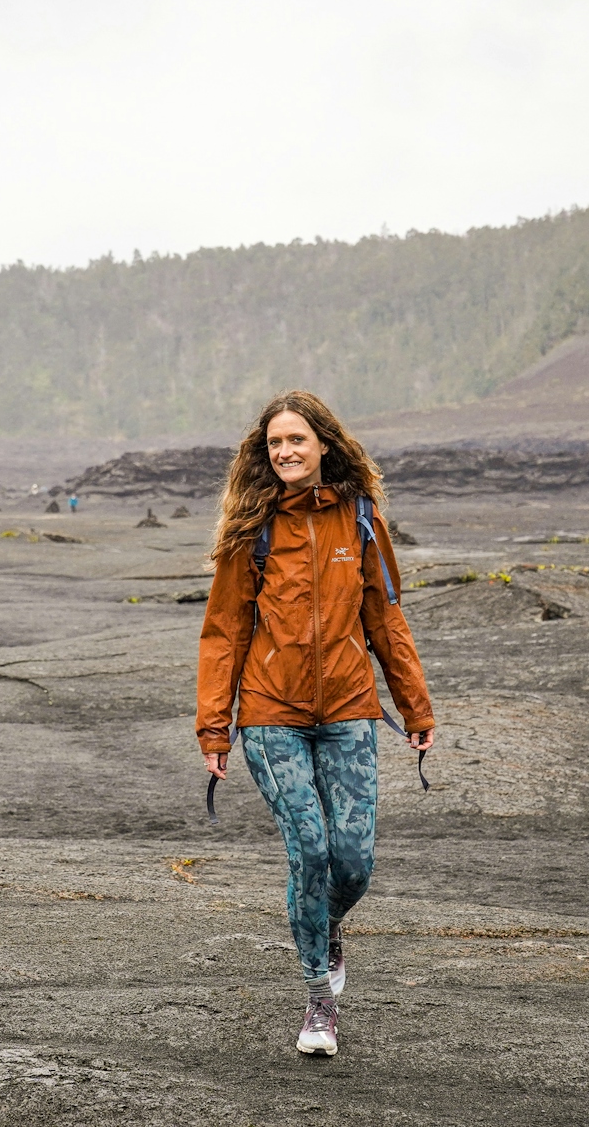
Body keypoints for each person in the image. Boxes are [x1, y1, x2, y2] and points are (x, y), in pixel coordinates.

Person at [196, 390, 435, 1057]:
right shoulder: (252, 530)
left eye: (297, 439)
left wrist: (415, 707)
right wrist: (215, 729)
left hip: (351, 712)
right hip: (272, 717)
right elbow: (223, 633)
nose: (286, 452)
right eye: (275, 443)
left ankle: (322, 926)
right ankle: (319, 1003)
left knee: (353, 863)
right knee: (311, 847)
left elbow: (386, 616)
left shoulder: (360, 519)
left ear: (324, 443)